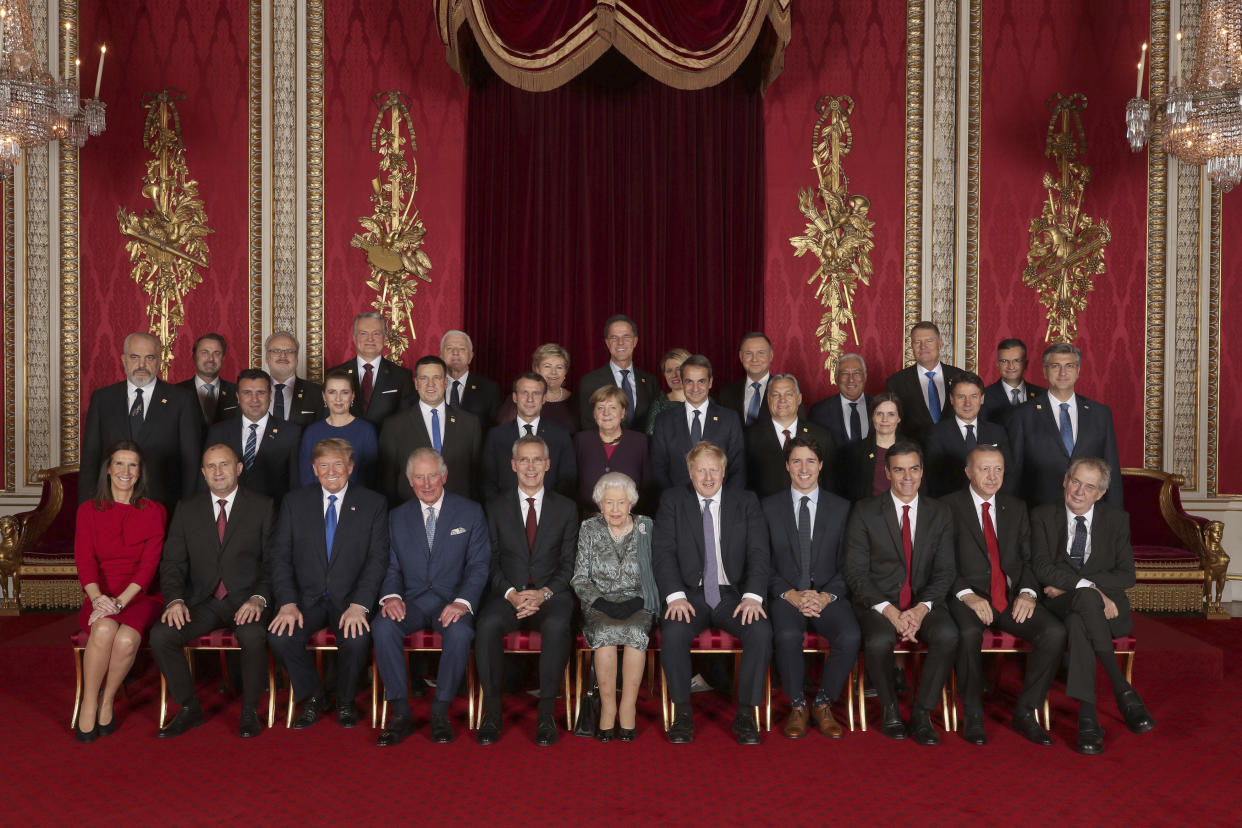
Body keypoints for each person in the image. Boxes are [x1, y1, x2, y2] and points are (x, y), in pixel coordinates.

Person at [1029, 458, 1153, 755]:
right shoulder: (1043, 515)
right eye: (1075, 482)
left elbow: (1127, 575)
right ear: (1064, 480)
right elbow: (1041, 567)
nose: (1079, 491)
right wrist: (1090, 588)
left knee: (1078, 621)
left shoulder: (1116, 519)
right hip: (1061, 603)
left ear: (1100, 494)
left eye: (1089, 487)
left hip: (1107, 612)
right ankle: (1122, 690)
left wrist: (1083, 585)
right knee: (1082, 602)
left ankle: (1088, 716)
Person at [151, 444, 275, 739]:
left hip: (246, 600)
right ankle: (189, 707)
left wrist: (259, 598)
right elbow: (172, 562)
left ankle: (249, 712)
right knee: (162, 634)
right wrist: (176, 600)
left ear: (239, 468)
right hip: (203, 601)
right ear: (204, 473)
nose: (218, 472)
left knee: (253, 635)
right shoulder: (187, 508)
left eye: (225, 464)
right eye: (211, 467)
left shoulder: (263, 505)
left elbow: (274, 563)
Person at [945, 445, 1064, 747]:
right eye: (984, 468)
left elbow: (1027, 559)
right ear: (968, 472)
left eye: (998, 469)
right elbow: (940, 562)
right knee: (969, 633)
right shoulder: (946, 506)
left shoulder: (1016, 506)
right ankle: (972, 713)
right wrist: (966, 595)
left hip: (1009, 597)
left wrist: (1027, 592)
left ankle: (1026, 711)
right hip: (968, 596)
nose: (992, 476)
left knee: (1053, 631)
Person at [654, 442, 771, 745]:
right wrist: (674, 595)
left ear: (724, 471)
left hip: (732, 595)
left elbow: (759, 553)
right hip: (689, 595)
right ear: (690, 473)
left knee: (759, 631)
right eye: (701, 470)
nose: (708, 477)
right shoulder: (673, 500)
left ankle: (746, 715)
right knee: (674, 632)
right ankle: (682, 713)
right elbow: (663, 553)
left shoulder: (745, 501)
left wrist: (753, 596)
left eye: (714, 470)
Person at [267, 438, 389, 729]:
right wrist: (287, 602)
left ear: (350, 467)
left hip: (351, 599)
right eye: (324, 465)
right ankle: (313, 696)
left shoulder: (373, 503)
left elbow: (377, 559)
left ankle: (346, 700)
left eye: (338, 464)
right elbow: (280, 557)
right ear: (313, 468)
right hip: (306, 599)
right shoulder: (295, 502)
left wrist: (360, 604)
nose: (331, 471)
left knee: (358, 639)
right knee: (280, 637)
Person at [843, 441, 957, 745]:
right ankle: (891, 709)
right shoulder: (865, 511)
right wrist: (892, 612)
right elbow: (855, 573)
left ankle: (922, 712)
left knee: (948, 635)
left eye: (914, 469)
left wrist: (919, 611)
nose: (907, 477)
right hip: (879, 603)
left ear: (922, 472)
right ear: (887, 472)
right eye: (899, 469)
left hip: (924, 602)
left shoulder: (940, 512)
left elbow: (946, 571)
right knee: (879, 639)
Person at [373, 448, 489, 746]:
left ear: (444, 476)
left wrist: (462, 602)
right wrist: (391, 597)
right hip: (410, 601)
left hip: (451, 602)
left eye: (433, 476)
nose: (427, 484)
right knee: (383, 626)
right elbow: (390, 565)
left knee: (461, 633)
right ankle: (401, 713)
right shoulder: (396, 517)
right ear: (410, 481)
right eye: (419, 477)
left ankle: (440, 712)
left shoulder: (470, 511)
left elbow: (478, 565)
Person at [476, 436, 580, 746]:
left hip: (551, 594)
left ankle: (546, 714)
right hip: (507, 594)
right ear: (513, 465)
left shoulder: (566, 508)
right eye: (524, 460)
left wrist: (544, 593)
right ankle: (492, 714)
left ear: (548, 465)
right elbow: (489, 562)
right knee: (487, 625)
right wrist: (510, 593)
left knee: (558, 625)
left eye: (537, 460)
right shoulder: (494, 507)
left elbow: (569, 563)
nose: (530, 466)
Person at [764, 436, 860, 739]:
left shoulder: (842, 508)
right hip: (786, 595)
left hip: (828, 595)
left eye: (810, 461)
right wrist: (790, 594)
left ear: (820, 465)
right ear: (787, 467)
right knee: (788, 634)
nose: (803, 468)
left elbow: (851, 563)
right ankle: (796, 705)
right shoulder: (768, 507)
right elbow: (760, 563)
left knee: (851, 634)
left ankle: (822, 702)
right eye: (796, 461)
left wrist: (826, 596)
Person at [72, 441, 166, 742]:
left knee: (126, 638)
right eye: (120, 464)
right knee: (102, 631)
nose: (126, 471)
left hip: (140, 595)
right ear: (109, 469)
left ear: (139, 473)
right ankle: (89, 701)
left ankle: (108, 699)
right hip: (99, 593)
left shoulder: (154, 511)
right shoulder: (88, 511)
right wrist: (99, 598)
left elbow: (149, 566)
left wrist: (120, 602)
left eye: (133, 465)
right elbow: (84, 560)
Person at [571, 472, 659, 742]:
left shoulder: (647, 527)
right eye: (609, 503)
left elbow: (657, 573)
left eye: (621, 503)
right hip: (599, 603)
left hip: (640, 601)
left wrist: (637, 601)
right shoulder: (589, 529)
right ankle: (608, 709)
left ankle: (628, 707)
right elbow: (580, 577)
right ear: (600, 505)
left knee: (635, 634)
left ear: (631, 503)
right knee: (606, 636)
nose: (615, 509)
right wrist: (600, 602)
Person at [80, 332, 201, 508]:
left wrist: (188, 512)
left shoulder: (182, 400)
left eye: (149, 358)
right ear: (124, 359)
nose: (142, 365)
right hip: (110, 506)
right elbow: (90, 459)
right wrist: (86, 509)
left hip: (165, 507)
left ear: (159, 360)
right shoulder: (103, 399)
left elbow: (191, 462)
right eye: (135, 357)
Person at [1009, 343, 1123, 507]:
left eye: (1069, 366)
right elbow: (1014, 475)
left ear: (1078, 371)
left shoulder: (1100, 414)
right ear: (1045, 371)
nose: (1063, 372)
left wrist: (1114, 516)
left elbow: (1111, 472)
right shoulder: (1022, 415)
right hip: (1038, 513)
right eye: (1055, 366)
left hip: (1090, 513)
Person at [378, 355, 482, 504]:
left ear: (446, 382)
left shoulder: (470, 423)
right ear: (416, 383)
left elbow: (477, 477)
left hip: (459, 511)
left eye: (437, 378)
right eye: (424, 378)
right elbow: (387, 480)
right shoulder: (394, 425)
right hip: (410, 512)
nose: (430, 384)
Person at [205, 368, 301, 507]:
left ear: (270, 395)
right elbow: (206, 481)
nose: (254, 399)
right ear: (238, 397)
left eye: (260, 393)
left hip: (275, 518)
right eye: (247, 393)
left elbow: (296, 485)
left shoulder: (291, 433)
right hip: (228, 517)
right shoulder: (218, 432)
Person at [650, 355, 745, 492]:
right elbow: (658, 469)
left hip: (721, 505)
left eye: (701, 381)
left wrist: (725, 503)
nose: (695, 388)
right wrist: (675, 501)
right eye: (689, 381)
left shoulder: (729, 419)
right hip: (677, 505)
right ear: (682, 382)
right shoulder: (664, 420)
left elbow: (738, 468)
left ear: (710, 382)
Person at [481, 373, 577, 500]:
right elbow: (487, 481)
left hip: (551, 515)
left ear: (544, 399)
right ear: (515, 397)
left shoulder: (561, 435)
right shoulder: (496, 436)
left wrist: (549, 510)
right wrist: (500, 511)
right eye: (524, 393)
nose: (530, 399)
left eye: (536, 393)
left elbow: (568, 481)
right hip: (505, 514)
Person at [745, 374, 836, 498]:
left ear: (799, 399)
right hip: (764, 513)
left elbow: (830, 486)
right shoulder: (749, 437)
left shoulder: (822, 437)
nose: (782, 400)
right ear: (768, 399)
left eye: (789, 394)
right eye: (776, 395)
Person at [923, 371, 1012, 498]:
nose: (967, 403)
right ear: (951, 399)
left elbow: (1008, 473)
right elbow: (933, 479)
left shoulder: (998, 432)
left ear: (982, 398)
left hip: (991, 503)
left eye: (973, 396)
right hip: (951, 505)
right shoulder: (936, 433)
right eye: (961, 397)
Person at [325, 311, 415, 426]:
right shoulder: (333, 375)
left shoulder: (402, 376)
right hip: (345, 442)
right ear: (354, 337)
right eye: (363, 333)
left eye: (376, 333)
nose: (370, 339)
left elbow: (407, 421)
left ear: (385, 337)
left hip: (387, 442)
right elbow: (327, 418)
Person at [884, 321, 963, 444]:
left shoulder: (960, 377)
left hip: (956, 455)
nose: (923, 346)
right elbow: (893, 426)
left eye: (929, 341)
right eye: (917, 342)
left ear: (940, 343)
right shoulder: (896, 382)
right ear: (911, 346)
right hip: (914, 457)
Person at [298, 369, 379, 488]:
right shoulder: (311, 432)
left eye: (344, 392)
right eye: (332, 392)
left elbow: (371, 478)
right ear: (324, 396)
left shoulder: (366, 430)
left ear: (353, 396)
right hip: (318, 502)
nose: (338, 398)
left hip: (357, 501)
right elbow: (306, 478)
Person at [574, 386, 650, 511]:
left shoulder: (640, 441)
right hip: (586, 517)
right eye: (600, 408)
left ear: (623, 412)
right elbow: (572, 485)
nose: (606, 413)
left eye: (613, 407)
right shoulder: (581, 440)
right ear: (594, 413)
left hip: (630, 519)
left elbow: (647, 486)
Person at [578, 314, 660, 431]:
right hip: (605, 448)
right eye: (614, 338)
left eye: (626, 337)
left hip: (644, 448)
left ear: (635, 341)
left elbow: (654, 423)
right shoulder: (589, 381)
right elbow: (588, 426)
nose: (620, 342)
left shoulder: (650, 382)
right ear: (607, 343)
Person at [497, 343, 580, 433]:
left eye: (559, 367)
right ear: (536, 369)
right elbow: (504, 433)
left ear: (565, 372)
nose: (553, 372)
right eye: (547, 366)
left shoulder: (576, 401)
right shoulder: (519, 399)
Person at [840, 392, 905, 501]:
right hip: (868, 515)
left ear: (899, 418)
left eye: (891, 414)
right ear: (872, 417)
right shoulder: (856, 452)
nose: (885, 419)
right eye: (879, 414)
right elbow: (849, 494)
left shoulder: (913, 449)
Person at [175, 333, 238, 431]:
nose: (211, 359)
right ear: (195, 357)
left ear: (223, 358)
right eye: (205, 352)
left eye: (217, 353)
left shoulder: (237, 392)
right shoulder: (176, 392)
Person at [441, 329, 502, 429]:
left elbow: (494, 429)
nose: (455, 352)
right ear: (441, 356)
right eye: (449, 348)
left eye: (462, 348)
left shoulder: (489, 389)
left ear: (470, 356)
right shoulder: (432, 386)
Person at [809, 353, 872, 446]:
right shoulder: (819, 412)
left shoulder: (880, 407)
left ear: (865, 376)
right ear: (836, 377)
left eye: (857, 373)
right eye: (845, 373)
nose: (851, 379)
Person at [981, 338, 1045, 428]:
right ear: (997, 365)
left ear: (1025, 364)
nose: (1010, 366)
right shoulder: (984, 397)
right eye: (1004, 361)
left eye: (1017, 360)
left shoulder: (1043, 395)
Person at [264, 331, 324, 426]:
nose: (283, 355)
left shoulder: (317, 394)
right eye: (276, 351)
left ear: (297, 358)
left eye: (290, 351)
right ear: (267, 357)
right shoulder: (253, 392)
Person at [717, 332, 774, 427]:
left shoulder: (787, 391)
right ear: (741, 357)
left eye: (761, 353)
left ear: (771, 356)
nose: (754, 359)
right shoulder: (726, 393)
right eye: (748, 353)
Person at [644, 347, 690, 437]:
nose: (674, 375)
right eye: (669, 371)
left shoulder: (706, 401)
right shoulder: (659, 404)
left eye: (679, 369)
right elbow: (651, 438)